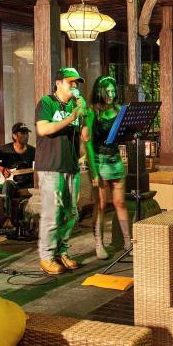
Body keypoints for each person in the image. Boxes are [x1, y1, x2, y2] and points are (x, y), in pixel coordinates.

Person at [34, 68, 88, 275]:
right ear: (58, 83)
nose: (74, 86)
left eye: (76, 83)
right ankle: (46, 257)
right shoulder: (47, 102)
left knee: (71, 212)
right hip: (51, 166)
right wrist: (72, 116)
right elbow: (43, 129)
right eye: (70, 82)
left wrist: (84, 116)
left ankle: (61, 252)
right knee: (53, 213)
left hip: (71, 165)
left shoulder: (76, 105)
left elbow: (84, 137)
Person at [86, 75, 130, 260]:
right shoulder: (92, 113)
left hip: (115, 159)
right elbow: (88, 143)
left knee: (120, 202)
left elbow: (125, 135)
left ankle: (128, 242)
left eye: (113, 91)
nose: (111, 94)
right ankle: (99, 243)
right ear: (100, 92)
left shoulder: (119, 110)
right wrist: (93, 170)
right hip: (99, 160)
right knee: (102, 204)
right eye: (108, 91)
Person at [0, 122, 35, 229]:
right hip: (13, 183)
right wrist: (0, 168)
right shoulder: (5, 149)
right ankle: (7, 219)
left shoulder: (33, 151)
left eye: (27, 133)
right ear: (14, 135)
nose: (26, 136)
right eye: (22, 133)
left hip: (28, 183)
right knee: (7, 185)